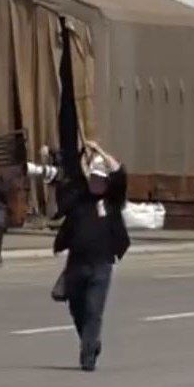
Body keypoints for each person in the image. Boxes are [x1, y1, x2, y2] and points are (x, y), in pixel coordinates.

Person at [52, 141, 129, 371]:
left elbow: (119, 172)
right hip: (76, 264)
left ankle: (87, 357)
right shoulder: (80, 198)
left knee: (94, 311)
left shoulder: (112, 201)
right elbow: (73, 176)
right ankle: (91, 342)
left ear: (106, 183)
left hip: (101, 265)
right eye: (93, 178)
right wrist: (84, 156)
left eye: (100, 179)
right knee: (78, 310)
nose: (96, 182)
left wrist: (100, 151)